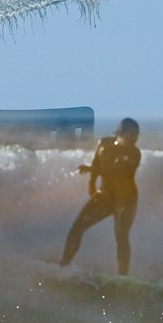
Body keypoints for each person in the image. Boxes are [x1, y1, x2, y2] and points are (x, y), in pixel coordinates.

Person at [59, 117, 141, 276]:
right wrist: (91, 184)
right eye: (131, 135)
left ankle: (123, 277)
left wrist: (91, 170)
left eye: (137, 135)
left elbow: (117, 174)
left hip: (126, 200)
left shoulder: (134, 154)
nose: (134, 139)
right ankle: (64, 264)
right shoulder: (104, 143)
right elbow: (96, 162)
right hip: (106, 195)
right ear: (120, 134)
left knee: (121, 235)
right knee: (77, 227)